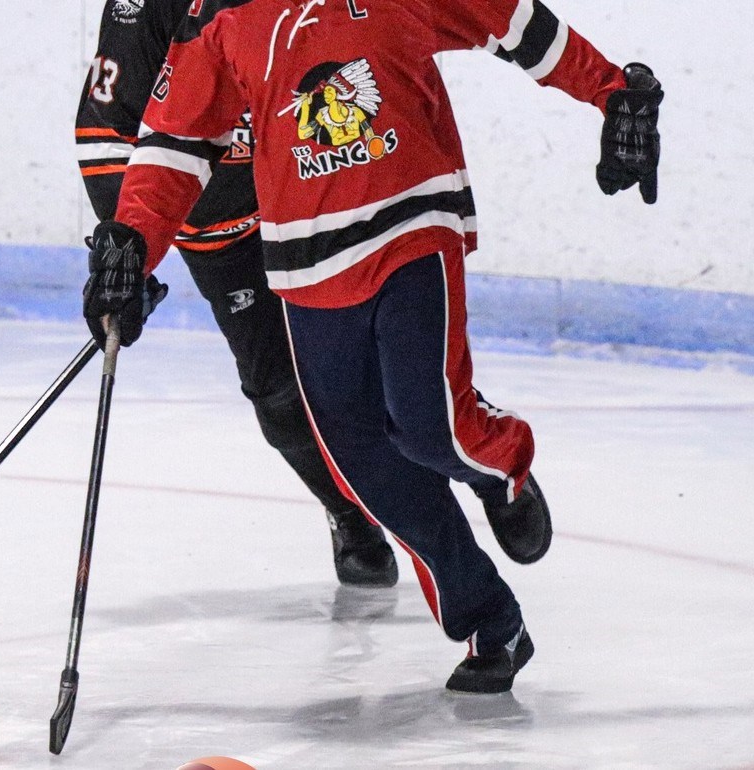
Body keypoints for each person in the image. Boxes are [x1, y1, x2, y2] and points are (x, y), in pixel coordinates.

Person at [81, 0, 663, 693]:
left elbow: (513, 23)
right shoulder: (217, 18)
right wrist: (132, 244)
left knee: (428, 426)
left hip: (409, 223)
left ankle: (499, 465)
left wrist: (610, 91)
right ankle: (489, 620)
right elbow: (176, 142)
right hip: (303, 262)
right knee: (360, 458)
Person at [76, 0, 399, 587]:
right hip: (217, 231)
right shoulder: (143, 8)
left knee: (383, 365)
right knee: (277, 391)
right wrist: (130, 257)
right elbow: (104, 133)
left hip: (312, 205)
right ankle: (350, 512)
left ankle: (461, 469)